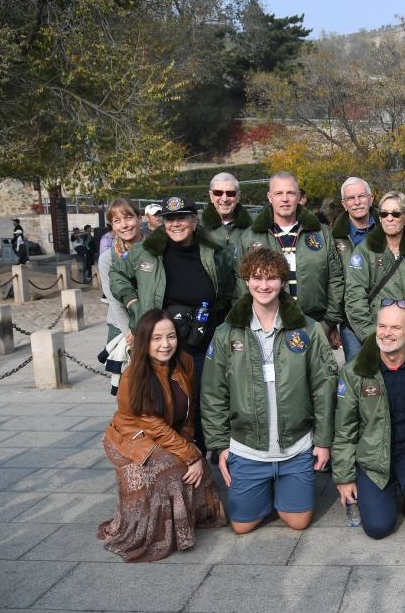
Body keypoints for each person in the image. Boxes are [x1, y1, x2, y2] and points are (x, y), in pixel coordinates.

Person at [200, 247, 338, 534]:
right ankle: (262, 488)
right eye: (256, 278)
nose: (264, 285)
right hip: (248, 448)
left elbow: (323, 387)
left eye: (272, 278)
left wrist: (323, 442)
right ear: (246, 281)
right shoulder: (227, 333)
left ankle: (284, 488)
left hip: (295, 448)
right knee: (241, 525)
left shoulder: (308, 330)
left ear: (283, 281)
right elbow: (213, 392)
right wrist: (219, 446)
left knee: (298, 523)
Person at [110, 195, 235, 453]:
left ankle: (205, 449)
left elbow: (229, 289)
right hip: (164, 343)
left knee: (204, 398)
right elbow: (117, 274)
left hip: (204, 339)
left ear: (194, 220)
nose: (175, 224)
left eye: (181, 218)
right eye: (169, 219)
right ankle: (172, 452)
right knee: (166, 399)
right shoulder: (147, 252)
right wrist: (133, 302)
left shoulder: (214, 253)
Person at [99, 310, 226, 561]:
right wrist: (190, 455)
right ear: (144, 341)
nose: (165, 344)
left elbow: (189, 412)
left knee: (197, 471)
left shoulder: (185, 362)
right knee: (174, 470)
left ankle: (191, 517)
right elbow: (153, 426)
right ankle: (158, 532)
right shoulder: (132, 376)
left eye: (170, 336)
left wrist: (190, 443)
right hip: (132, 439)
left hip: (168, 434)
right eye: (156, 338)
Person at [332, 300, 405, 539]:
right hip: (373, 457)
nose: (386, 333)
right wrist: (344, 477)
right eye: (382, 326)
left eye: (395, 327)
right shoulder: (354, 372)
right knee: (378, 528)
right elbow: (344, 430)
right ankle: (384, 486)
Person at [241, 171, 343, 350]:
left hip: (315, 323)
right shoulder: (250, 237)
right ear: (270, 197)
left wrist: (329, 322)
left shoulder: (320, 233)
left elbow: (335, 278)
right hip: (269, 327)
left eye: (290, 193)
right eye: (279, 193)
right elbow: (241, 283)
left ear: (299, 197)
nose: (285, 199)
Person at [344, 191, 405, 349]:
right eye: (384, 214)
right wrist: (371, 337)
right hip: (379, 340)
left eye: (396, 214)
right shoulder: (365, 251)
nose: (389, 218)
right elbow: (354, 298)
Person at [332, 177, 378, 360]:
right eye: (351, 198)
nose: (357, 202)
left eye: (361, 196)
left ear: (371, 198)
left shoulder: (389, 228)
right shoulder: (334, 239)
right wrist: (332, 322)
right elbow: (332, 281)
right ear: (344, 204)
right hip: (351, 322)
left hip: (388, 315)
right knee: (359, 379)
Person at [98, 198, 145, 345]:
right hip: (122, 328)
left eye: (128, 218)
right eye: (117, 220)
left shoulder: (156, 249)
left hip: (154, 323)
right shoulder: (108, 259)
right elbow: (114, 300)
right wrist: (128, 332)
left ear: (139, 219)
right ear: (112, 225)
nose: (124, 225)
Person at [201, 172, 252, 252]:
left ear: (238, 196)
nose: (224, 199)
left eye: (230, 193)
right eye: (218, 193)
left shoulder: (253, 227)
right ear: (211, 196)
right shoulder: (197, 227)